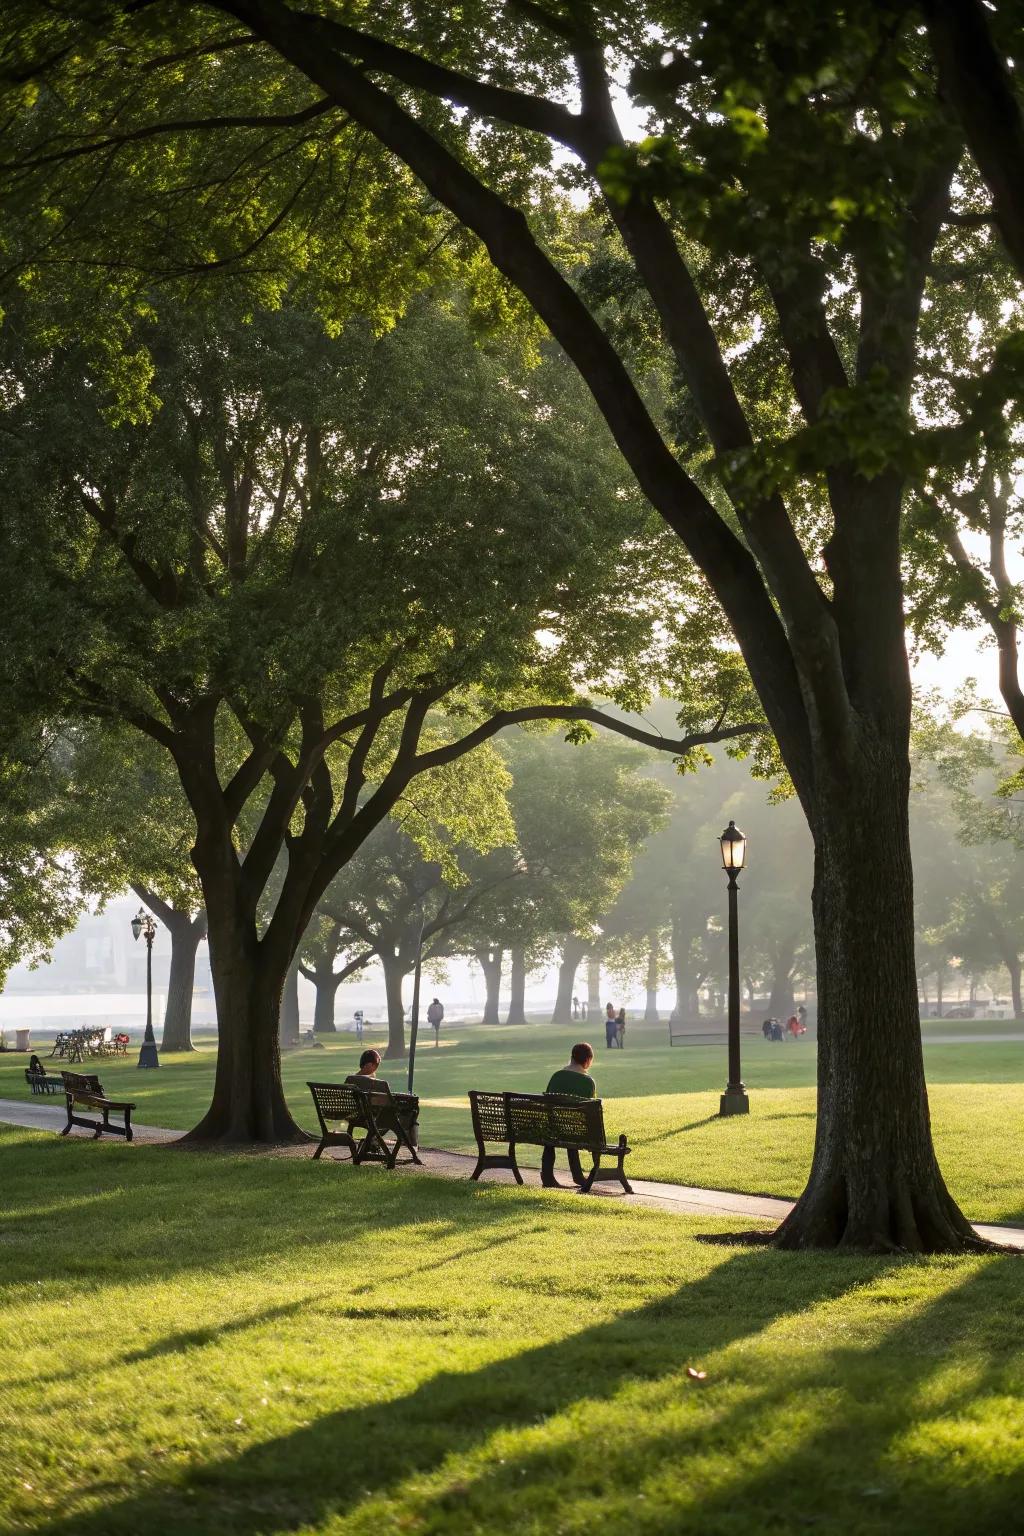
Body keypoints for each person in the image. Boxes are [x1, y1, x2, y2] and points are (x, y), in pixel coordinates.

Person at [541, 1042, 596, 1187]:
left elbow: (547, 1102)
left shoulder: (557, 1076)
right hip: (576, 1129)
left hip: (552, 1127)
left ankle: (547, 1176)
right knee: (572, 1127)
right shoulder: (588, 1082)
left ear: (572, 1058)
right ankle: (577, 1176)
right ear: (587, 1060)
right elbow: (589, 1111)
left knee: (556, 1128)